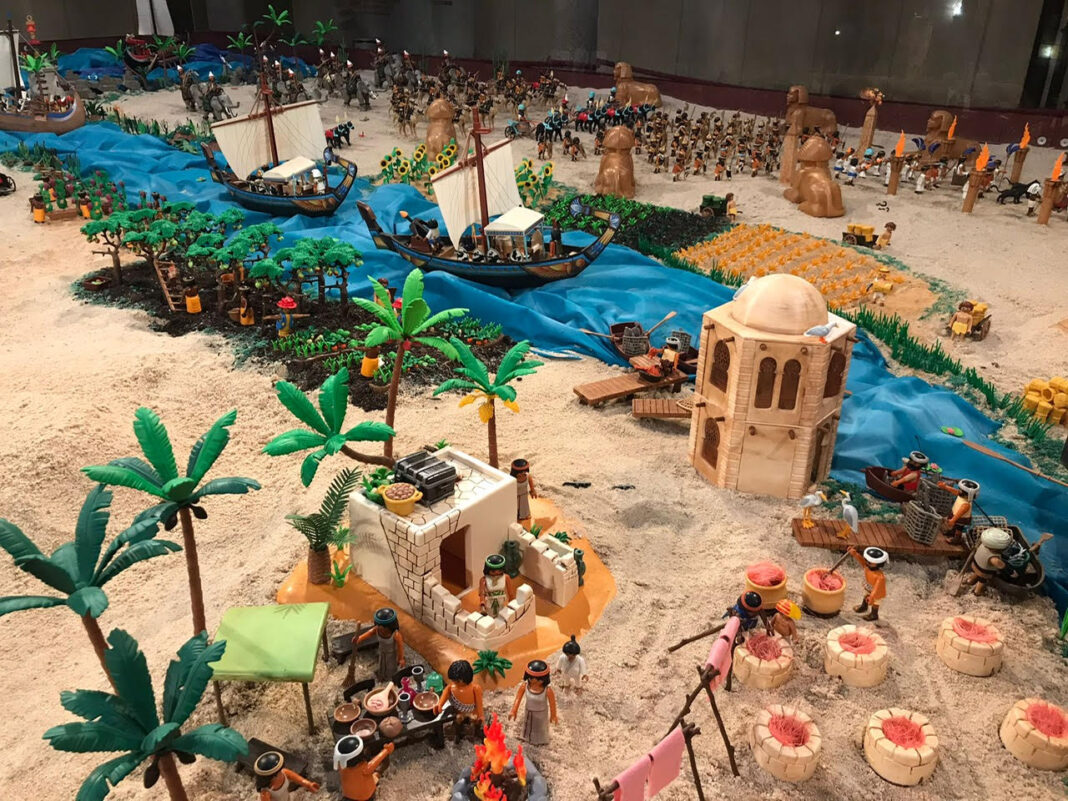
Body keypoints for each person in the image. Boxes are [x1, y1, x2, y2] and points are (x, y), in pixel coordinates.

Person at [509, 660, 557, 745]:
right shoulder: (524, 686)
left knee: (540, 727)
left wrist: (553, 715)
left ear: (544, 679)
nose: (534, 682)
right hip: (529, 711)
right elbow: (518, 699)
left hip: (541, 714)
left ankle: (541, 741)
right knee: (527, 726)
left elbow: (552, 703)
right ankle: (526, 738)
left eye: (538, 680)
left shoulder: (547, 690)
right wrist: (514, 710)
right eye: (531, 679)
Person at [351, 607, 405, 684]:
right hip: (382, 651)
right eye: (378, 625)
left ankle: (389, 679)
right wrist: (359, 638)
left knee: (390, 667)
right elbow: (369, 633)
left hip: (391, 654)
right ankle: (382, 675)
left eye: (382, 626)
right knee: (382, 664)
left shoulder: (396, 635)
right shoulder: (377, 629)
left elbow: (400, 647)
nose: (379, 627)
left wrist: (401, 659)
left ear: (389, 626)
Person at [435, 659, 484, 739]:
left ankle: (475, 732)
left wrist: (481, 715)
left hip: (472, 711)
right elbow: (445, 694)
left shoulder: (475, 688)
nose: (454, 682)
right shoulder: (451, 687)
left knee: (474, 721)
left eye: (457, 681)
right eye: (453, 680)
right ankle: (458, 733)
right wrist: (440, 704)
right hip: (459, 712)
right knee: (458, 720)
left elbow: (479, 703)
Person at [334, 736, 394, 801]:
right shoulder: (364, 769)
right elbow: (376, 761)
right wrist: (386, 750)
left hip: (348, 794)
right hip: (364, 796)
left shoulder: (341, 765)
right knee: (378, 772)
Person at [254, 751, 320, 800]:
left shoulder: (284, 772)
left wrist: (308, 784)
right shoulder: (266, 793)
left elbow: (298, 779)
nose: (282, 771)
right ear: (273, 776)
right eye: (279, 771)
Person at [848, 546, 887, 621]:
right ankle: (864, 607)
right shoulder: (867, 567)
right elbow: (861, 560)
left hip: (877, 593)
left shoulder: (880, 577)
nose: (868, 562)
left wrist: (872, 597)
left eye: (871, 561)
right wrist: (855, 554)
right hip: (868, 587)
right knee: (865, 596)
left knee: (876, 603)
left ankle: (874, 614)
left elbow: (876, 588)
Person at [938, 478, 979, 544]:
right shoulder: (963, 496)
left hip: (961, 518)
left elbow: (960, 513)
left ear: (967, 494)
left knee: (959, 528)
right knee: (956, 526)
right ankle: (952, 532)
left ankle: (957, 538)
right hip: (955, 514)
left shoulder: (966, 504)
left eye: (960, 490)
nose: (958, 491)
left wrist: (953, 520)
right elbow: (955, 491)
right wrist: (945, 487)